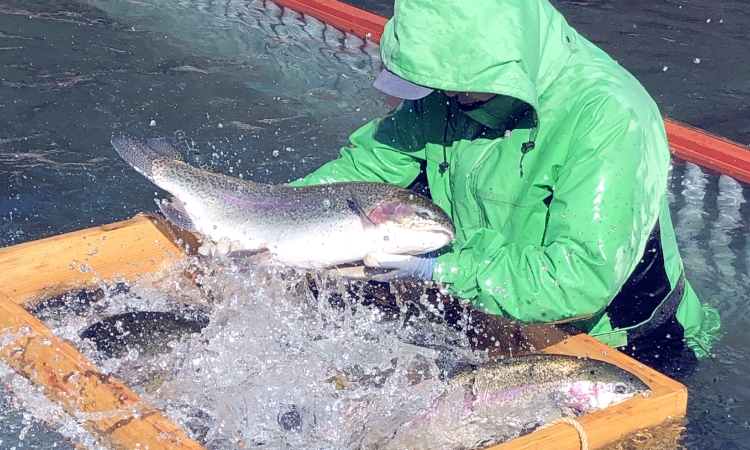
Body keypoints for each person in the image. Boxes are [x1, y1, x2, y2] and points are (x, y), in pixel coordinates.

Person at [283, 0, 722, 364]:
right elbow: (362, 176)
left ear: (499, 60)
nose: (446, 97)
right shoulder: (444, 92)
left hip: (627, 346)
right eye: (436, 83)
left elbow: (581, 277)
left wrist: (437, 269)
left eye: (458, 85)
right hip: (493, 309)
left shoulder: (609, 116)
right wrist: (275, 213)